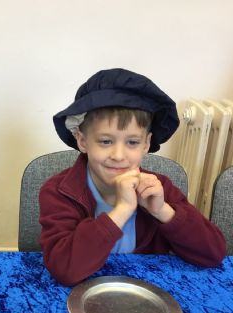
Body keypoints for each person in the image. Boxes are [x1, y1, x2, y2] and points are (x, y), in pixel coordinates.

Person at [39, 68, 226, 286]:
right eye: (106, 141)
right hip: (82, 291)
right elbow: (64, 269)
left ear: (146, 144)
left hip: (146, 292)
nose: (119, 156)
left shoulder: (159, 188)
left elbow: (213, 253)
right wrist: (123, 209)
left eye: (132, 142)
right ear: (82, 141)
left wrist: (162, 211)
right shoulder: (58, 192)